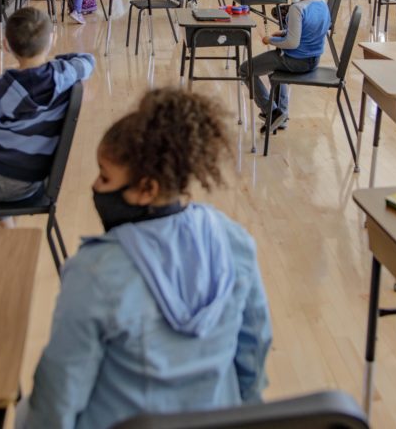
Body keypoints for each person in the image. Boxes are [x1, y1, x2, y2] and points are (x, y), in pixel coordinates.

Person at [17, 87, 272, 429]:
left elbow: (59, 391)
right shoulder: (236, 242)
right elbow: (254, 347)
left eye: (105, 177)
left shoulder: (95, 272)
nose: (95, 185)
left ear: (147, 189)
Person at [0, 7, 95, 227]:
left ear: (6, 45)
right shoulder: (62, 75)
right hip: (30, 181)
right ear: (52, 41)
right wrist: (55, 61)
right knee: (9, 175)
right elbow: (87, 61)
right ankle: (11, 227)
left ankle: (7, 225)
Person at [239, 0, 330, 132]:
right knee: (274, 66)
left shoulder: (297, 8)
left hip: (295, 61)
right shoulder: (322, 3)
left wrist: (270, 40)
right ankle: (282, 116)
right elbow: (311, 30)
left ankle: (271, 111)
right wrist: (283, 32)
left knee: (245, 69)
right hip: (313, 60)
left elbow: (292, 43)